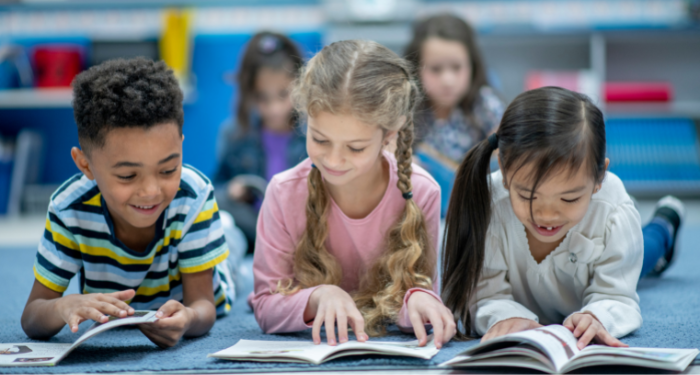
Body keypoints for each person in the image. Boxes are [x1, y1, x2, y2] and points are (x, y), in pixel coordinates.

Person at [441, 86, 685, 349]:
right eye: (528, 197)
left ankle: (664, 223)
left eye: (569, 199)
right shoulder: (489, 205)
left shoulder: (612, 210)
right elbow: (485, 294)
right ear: (503, 168)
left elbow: (616, 295)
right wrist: (504, 316)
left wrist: (597, 315)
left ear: (599, 177)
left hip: (607, 239)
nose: (546, 215)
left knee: (648, 252)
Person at [248, 40, 456, 349]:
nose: (333, 160)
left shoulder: (420, 191)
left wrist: (422, 301)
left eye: (355, 147)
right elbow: (265, 306)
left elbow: (420, 290)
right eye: (319, 139)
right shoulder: (282, 192)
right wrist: (318, 297)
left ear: (389, 135)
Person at [21, 58, 241, 348]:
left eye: (167, 170)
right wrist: (63, 307)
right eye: (127, 176)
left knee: (232, 256)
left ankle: (227, 231)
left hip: (215, 274)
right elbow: (32, 317)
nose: (150, 191)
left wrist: (187, 318)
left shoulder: (193, 197)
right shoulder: (69, 209)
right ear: (85, 165)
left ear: (181, 146)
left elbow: (204, 305)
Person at [214, 31, 307, 253]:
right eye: (262, 98)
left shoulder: (315, 134)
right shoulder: (234, 134)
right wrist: (231, 191)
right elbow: (213, 194)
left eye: (283, 94)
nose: (274, 108)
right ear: (248, 94)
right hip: (251, 239)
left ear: (300, 85)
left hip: (303, 239)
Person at [405, 14, 504, 165]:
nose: (448, 80)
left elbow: (509, 153)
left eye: (457, 67)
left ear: (472, 65)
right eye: (436, 69)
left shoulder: (485, 105)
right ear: (415, 68)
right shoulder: (404, 109)